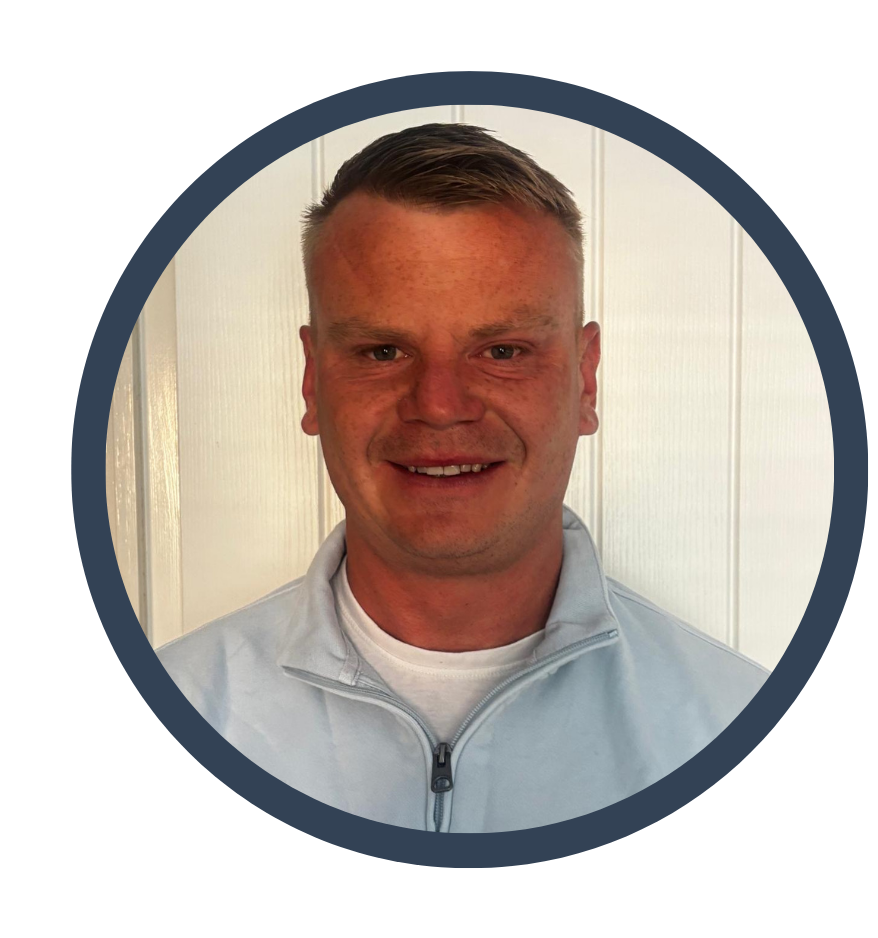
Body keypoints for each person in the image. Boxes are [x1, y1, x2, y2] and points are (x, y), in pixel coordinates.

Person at [157, 123, 769, 833]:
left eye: (503, 350)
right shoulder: (178, 708)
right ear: (312, 379)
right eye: (383, 350)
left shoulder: (740, 735)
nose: (440, 405)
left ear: (586, 379)